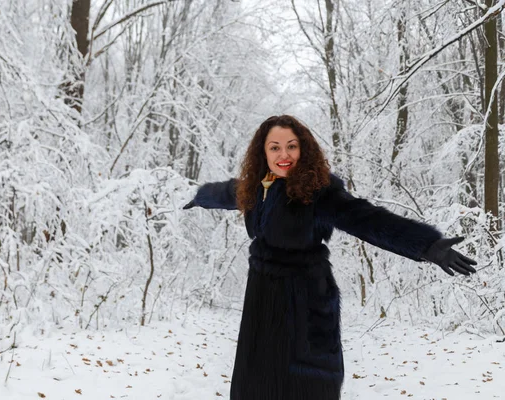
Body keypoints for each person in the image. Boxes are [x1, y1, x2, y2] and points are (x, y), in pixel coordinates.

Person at [183, 115, 477, 400]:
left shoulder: (318, 191)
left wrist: (426, 245)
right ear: (263, 152)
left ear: (303, 148)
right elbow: (224, 193)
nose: (284, 154)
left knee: (306, 385)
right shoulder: (255, 187)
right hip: (262, 302)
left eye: (292, 146)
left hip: (304, 301)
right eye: (275, 147)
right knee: (257, 384)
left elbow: (367, 219)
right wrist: (199, 197)